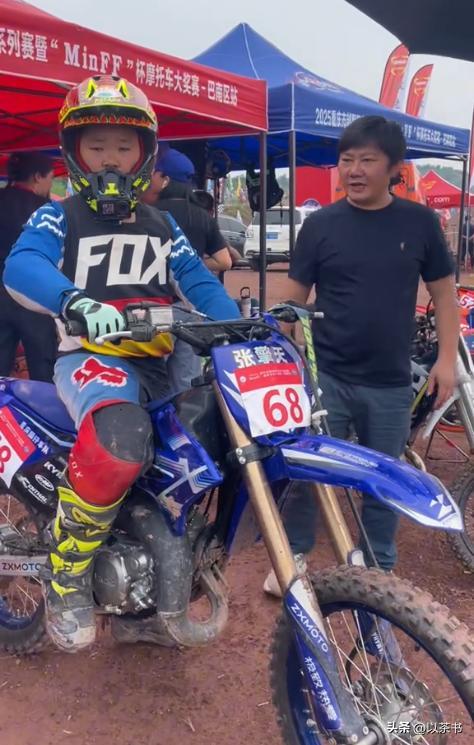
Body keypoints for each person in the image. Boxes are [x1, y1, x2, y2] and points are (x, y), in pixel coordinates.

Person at [4, 74, 240, 651]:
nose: (110, 158)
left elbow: (199, 284)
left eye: (123, 146)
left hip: (160, 366)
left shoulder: (163, 225)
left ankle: (145, 600)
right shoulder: (58, 217)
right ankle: (67, 572)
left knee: (198, 450)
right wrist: (75, 301)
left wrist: (235, 327)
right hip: (89, 359)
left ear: (144, 155)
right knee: (122, 439)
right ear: (74, 153)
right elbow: (21, 265)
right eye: (97, 146)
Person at [264, 115, 459, 596]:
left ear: (394, 167)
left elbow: (445, 294)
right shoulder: (320, 225)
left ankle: (377, 566)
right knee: (309, 472)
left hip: (390, 381)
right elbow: (293, 299)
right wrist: (274, 348)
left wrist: (445, 360)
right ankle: (294, 555)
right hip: (325, 375)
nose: (354, 170)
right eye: (346, 160)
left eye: (367, 160)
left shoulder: (419, 223)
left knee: (382, 476)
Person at [141, 149, 233, 394]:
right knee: (186, 385)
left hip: (156, 308)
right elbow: (225, 261)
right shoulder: (201, 215)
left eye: (153, 173)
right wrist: (194, 265)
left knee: (151, 382)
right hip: (192, 309)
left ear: (165, 179)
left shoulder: (149, 214)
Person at [0, 151, 57, 381]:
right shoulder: (46, 211)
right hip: (34, 297)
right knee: (43, 365)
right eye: (50, 178)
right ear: (37, 177)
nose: (50, 184)